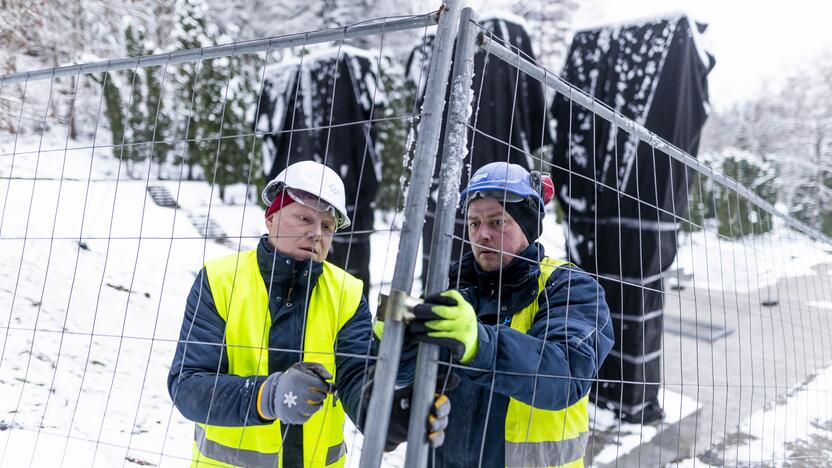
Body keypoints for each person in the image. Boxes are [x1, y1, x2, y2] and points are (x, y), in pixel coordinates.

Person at [168, 160, 449, 468]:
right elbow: (188, 386)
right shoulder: (220, 280)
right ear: (270, 217)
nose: (316, 233)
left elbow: (355, 378)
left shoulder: (347, 292)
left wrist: (389, 414)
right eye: (304, 218)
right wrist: (267, 396)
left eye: (327, 226)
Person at [406, 162, 615, 467]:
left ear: (527, 225)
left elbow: (565, 374)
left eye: (497, 222)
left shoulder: (570, 287)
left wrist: (479, 343)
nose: (483, 235)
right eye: (474, 224)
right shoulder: (452, 285)